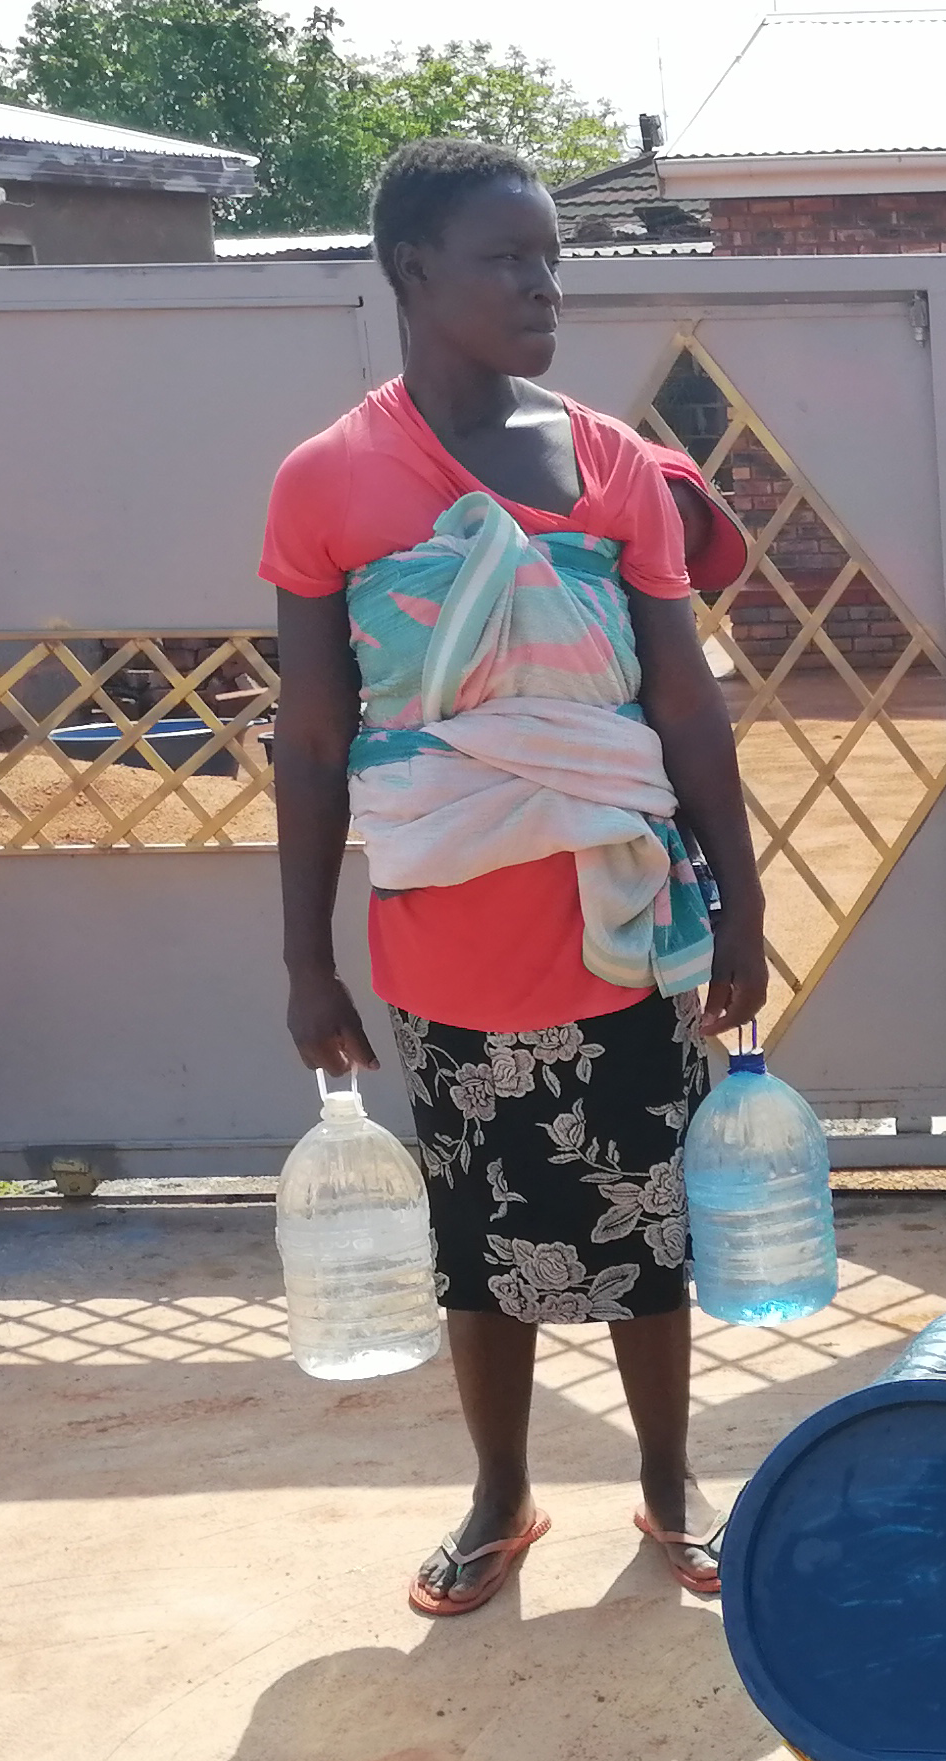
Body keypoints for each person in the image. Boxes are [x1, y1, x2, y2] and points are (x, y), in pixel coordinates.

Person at [263, 137, 771, 1613]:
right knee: (477, 1241)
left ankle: (671, 1492)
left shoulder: (610, 462)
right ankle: (502, 1497)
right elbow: (312, 737)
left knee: (644, 1226)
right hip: (443, 937)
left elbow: (682, 704)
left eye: (551, 255)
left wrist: (739, 896)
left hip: (620, 921)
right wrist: (306, 960)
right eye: (506, 258)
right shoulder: (330, 484)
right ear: (413, 271)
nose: (543, 284)